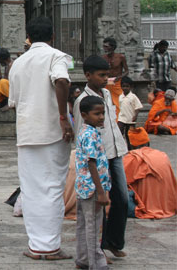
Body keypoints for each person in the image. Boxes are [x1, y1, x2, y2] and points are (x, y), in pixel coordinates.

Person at [8, 16, 73, 261]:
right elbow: (61, 80)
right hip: (52, 131)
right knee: (53, 187)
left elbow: (13, 103)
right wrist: (63, 116)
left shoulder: (18, 63)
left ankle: (37, 245)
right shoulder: (56, 56)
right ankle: (49, 246)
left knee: (32, 189)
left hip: (26, 132)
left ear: (28, 37)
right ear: (52, 36)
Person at [73, 55, 129, 259]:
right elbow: (82, 134)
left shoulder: (107, 94)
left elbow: (112, 123)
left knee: (121, 199)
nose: (105, 78)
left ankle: (113, 242)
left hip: (116, 152)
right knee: (100, 202)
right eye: (101, 75)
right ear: (88, 75)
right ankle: (97, 250)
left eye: (107, 74)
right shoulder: (82, 102)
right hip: (98, 158)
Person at [74, 95, 111, 270]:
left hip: (84, 186)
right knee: (93, 226)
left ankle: (82, 258)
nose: (101, 117)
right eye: (97, 114)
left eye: (103, 113)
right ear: (85, 115)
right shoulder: (90, 134)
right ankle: (96, 263)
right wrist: (101, 191)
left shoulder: (87, 131)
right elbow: (92, 162)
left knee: (83, 223)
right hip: (93, 187)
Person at [123, 146, 177, 219]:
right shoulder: (162, 156)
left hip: (146, 206)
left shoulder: (131, 159)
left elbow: (121, 181)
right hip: (168, 204)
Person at [102, 37, 128, 116]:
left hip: (117, 83)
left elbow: (126, 71)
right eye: (104, 46)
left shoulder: (120, 57)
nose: (104, 48)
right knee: (106, 102)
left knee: (118, 103)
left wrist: (119, 78)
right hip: (106, 82)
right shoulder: (103, 58)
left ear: (112, 47)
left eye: (107, 46)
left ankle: (118, 121)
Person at [117, 76, 143, 148]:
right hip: (122, 118)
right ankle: (120, 147)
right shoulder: (120, 96)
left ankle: (130, 148)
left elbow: (138, 107)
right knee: (119, 132)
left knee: (129, 135)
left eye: (127, 86)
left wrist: (135, 116)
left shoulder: (133, 96)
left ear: (130, 87)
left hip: (130, 119)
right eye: (123, 86)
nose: (125, 88)